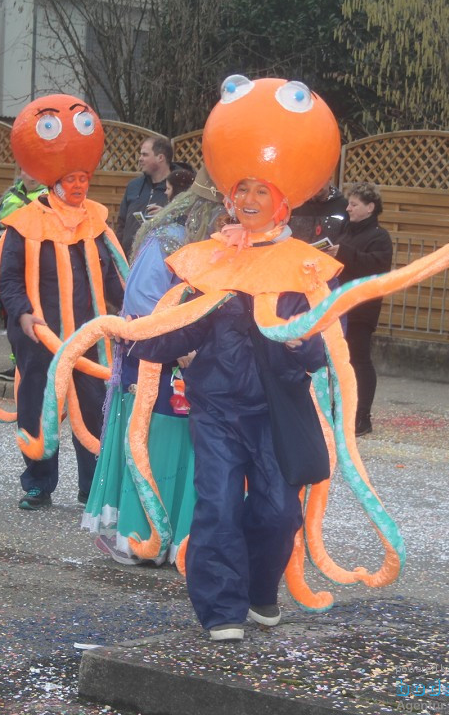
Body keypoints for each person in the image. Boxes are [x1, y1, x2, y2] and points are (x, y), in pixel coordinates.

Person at [133, 175, 328, 640]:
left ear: (282, 203)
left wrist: (300, 343)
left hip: (275, 408)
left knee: (279, 511)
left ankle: (260, 589)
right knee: (217, 505)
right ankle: (221, 607)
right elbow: (188, 328)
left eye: (263, 190)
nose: (250, 200)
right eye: (242, 190)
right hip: (216, 405)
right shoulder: (215, 256)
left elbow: (320, 352)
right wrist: (142, 336)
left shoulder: (301, 265)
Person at [85, 167, 226, 566]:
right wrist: (183, 346)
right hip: (158, 364)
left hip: (193, 366)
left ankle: (178, 538)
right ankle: (139, 536)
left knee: (184, 446)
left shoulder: (217, 245)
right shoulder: (168, 241)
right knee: (155, 442)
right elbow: (144, 303)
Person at [0, 94, 124, 510]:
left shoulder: (97, 221)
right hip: (38, 338)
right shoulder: (24, 224)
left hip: (88, 337)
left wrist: (129, 315)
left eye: (85, 179)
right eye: (72, 180)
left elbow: (113, 276)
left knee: (94, 410)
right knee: (36, 407)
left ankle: (93, 489)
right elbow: (8, 279)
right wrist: (24, 313)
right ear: (54, 182)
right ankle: (37, 482)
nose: (80, 186)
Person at [324, 182, 392, 435]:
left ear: (370, 207)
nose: (349, 208)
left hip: (362, 307)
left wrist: (344, 252)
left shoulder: (379, 236)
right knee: (338, 360)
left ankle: (362, 416)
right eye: (349, 204)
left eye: (354, 204)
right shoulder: (346, 230)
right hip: (338, 304)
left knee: (359, 361)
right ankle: (338, 410)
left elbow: (376, 266)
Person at [0, 170, 47, 381]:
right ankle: (17, 363)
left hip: (36, 268)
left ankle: (30, 364)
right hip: (7, 266)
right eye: (26, 170)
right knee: (10, 316)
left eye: (35, 171)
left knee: (33, 314)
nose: (32, 175)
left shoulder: (50, 197)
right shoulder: (9, 196)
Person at [115, 136, 173, 252]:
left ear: (160, 157)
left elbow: (189, 224)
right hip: (128, 262)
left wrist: (167, 214)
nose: (140, 158)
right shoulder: (134, 186)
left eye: (145, 155)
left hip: (159, 261)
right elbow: (121, 224)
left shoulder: (178, 189)